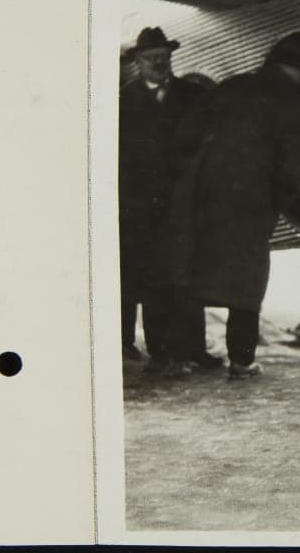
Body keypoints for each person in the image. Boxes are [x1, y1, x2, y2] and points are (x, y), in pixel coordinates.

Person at [162, 34, 300, 379]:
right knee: (245, 283)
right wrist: (279, 202)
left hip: (199, 192)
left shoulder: (233, 85)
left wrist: (192, 177)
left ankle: (182, 356)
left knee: (190, 271)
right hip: (249, 200)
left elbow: (185, 135)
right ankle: (241, 362)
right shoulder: (291, 101)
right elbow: (292, 169)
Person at [118, 27, 213, 368]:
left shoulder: (193, 95)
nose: (158, 63)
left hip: (185, 203)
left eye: (163, 57)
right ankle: (160, 351)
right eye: (150, 58)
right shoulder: (123, 101)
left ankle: (195, 349)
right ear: (137, 63)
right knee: (153, 278)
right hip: (141, 209)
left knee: (190, 276)